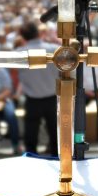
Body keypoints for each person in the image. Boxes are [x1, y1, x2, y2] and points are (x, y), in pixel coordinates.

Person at [15, 22, 58, 156]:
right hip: (51, 97)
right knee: (54, 131)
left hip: (34, 99)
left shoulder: (19, 53)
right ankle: (57, 158)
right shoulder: (54, 49)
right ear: (38, 33)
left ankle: (31, 159)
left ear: (22, 36)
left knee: (31, 133)